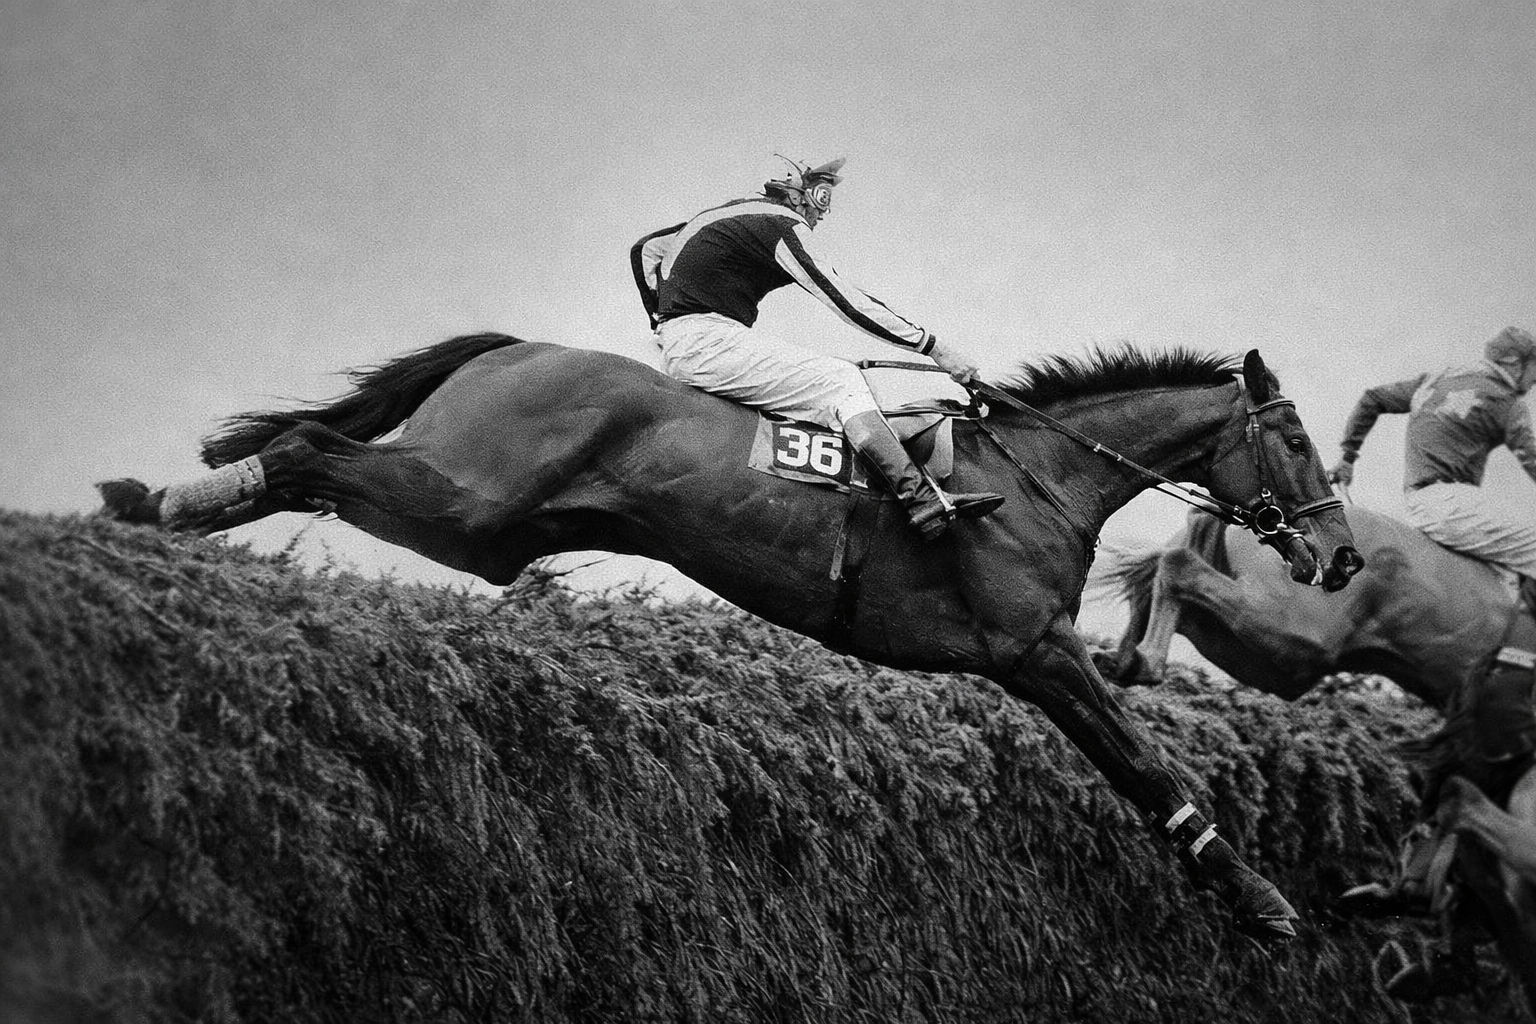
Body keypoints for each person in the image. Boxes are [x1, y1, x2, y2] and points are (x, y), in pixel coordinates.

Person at [629, 155, 1003, 541]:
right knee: (842, 380)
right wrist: (934, 348)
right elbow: (845, 300)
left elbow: (645, 249)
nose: (822, 214)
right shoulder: (780, 224)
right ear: (797, 195)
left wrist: (661, 319)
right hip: (710, 341)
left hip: (692, 340)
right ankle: (920, 498)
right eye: (821, 200)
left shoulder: (731, 212)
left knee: (829, 379)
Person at [1330, 325, 1536, 997]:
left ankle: (1432, 912)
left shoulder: (1435, 378)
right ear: (1519, 365)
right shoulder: (1507, 399)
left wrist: (1347, 459)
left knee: (1463, 778)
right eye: (1534, 373)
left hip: (1423, 500)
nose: (1533, 383)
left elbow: (1369, 397)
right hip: (1450, 503)